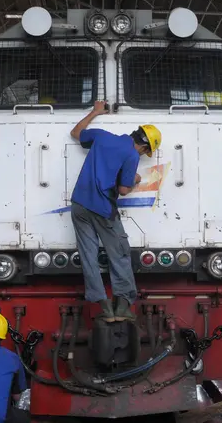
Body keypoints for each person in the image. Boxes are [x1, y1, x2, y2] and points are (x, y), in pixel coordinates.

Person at [69, 100, 161, 323]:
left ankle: (103, 306)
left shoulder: (102, 136)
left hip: (79, 204)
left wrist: (95, 112)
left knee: (88, 256)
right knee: (118, 253)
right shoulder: (132, 156)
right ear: (145, 147)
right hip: (102, 208)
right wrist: (135, 180)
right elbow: (123, 190)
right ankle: (122, 306)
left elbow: (75, 133)